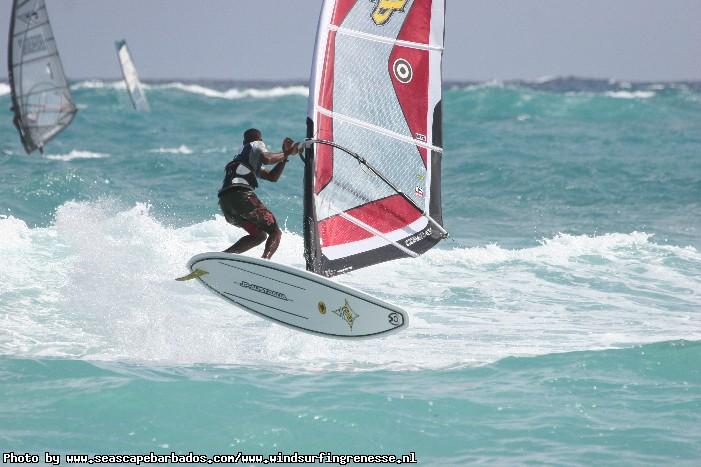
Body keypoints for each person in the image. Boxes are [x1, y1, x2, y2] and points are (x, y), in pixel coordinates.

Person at [218, 128, 298, 259]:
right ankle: (265, 261)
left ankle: (223, 258)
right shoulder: (256, 144)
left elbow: (272, 177)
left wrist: (285, 157)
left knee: (259, 236)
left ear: (243, 142)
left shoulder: (243, 158)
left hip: (225, 204)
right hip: (241, 196)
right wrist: (288, 152)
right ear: (260, 139)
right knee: (275, 232)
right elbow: (267, 158)